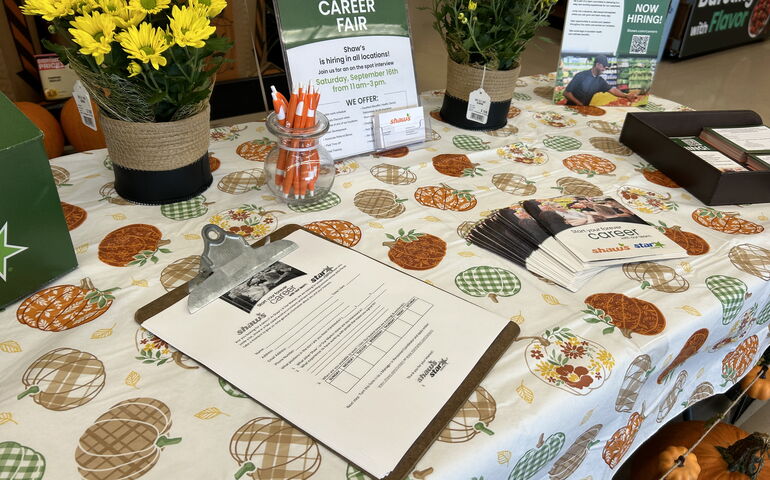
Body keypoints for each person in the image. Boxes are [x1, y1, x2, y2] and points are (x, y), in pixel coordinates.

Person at [563, 55, 637, 106]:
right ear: (597, 64)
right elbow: (566, 93)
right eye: (603, 66)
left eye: (606, 67)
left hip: (584, 109)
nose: (604, 69)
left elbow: (613, 90)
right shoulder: (580, 75)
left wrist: (626, 96)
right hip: (571, 108)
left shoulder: (600, 81)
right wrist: (580, 104)